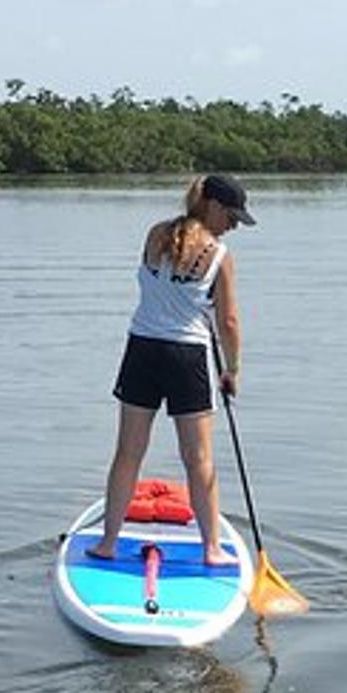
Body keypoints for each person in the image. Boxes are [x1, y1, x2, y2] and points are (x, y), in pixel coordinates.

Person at [86, 174, 254, 568]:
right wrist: (233, 369)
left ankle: (108, 542)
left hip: (141, 350)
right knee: (198, 459)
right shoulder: (219, 255)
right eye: (231, 216)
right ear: (211, 205)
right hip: (187, 357)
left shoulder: (155, 235)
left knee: (128, 452)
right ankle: (211, 549)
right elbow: (228, 321)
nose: (233, 225)